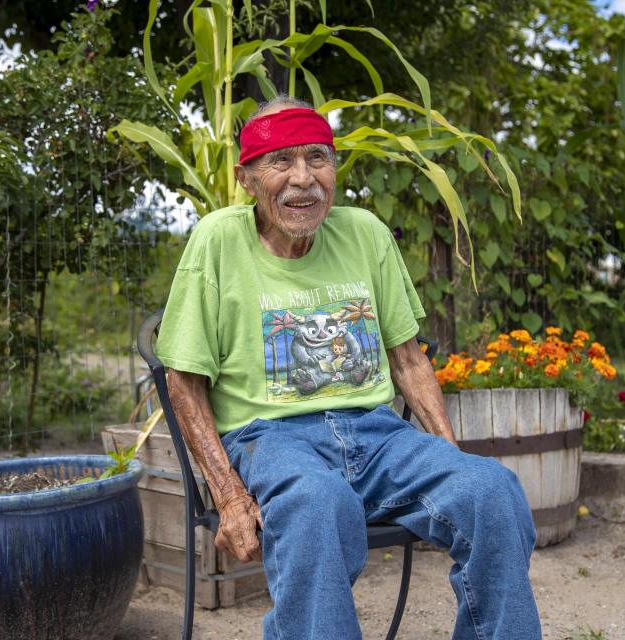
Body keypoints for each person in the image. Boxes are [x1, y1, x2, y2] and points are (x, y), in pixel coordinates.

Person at [155, 96, 541, 640]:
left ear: (335, 169)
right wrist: (230, 496)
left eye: (317, 158)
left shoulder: (364, 233)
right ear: (246, 178)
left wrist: (447, 458)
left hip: (377, 434)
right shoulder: (219, 240)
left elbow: (407, 359)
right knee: (318, 503)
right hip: (270, 437)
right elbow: (184, 383)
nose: (303, 179)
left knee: (491, 491)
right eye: (280, 162)